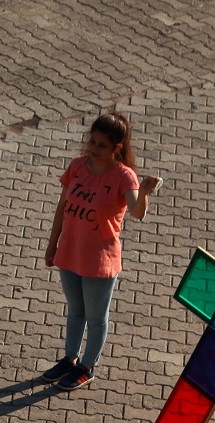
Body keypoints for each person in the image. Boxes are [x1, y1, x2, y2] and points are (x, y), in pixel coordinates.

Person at [40, 114, 162, 391]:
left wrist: (143, 192)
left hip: (100, 259)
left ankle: (87, 366)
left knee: (96, 319)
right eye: (92, 142)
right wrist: (52, 243)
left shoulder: (124, 176)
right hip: (71, 250)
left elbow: (137, 213)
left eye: (101, 145)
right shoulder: (78, 166)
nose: (93, 149)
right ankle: (69, 359)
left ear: (117, 147)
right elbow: (62, 207)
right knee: (75, 311)